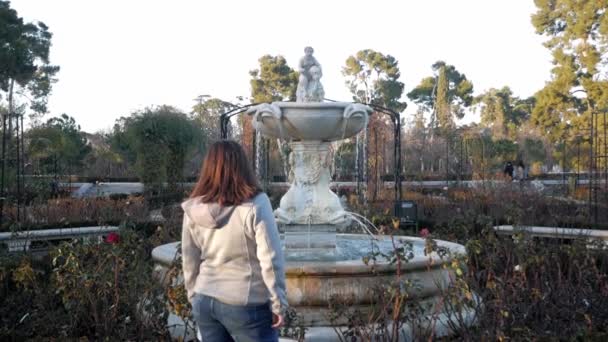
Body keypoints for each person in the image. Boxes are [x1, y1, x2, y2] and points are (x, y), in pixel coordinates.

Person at [181, 140, 287, 342]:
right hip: (246, 305)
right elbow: (271, 259)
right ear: (242, 166)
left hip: (205, 298)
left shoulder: (193, 208)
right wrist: (278, 304)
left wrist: (194, 296)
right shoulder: (256, 203)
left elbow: (189, 259)